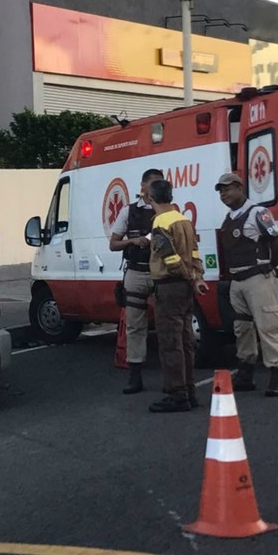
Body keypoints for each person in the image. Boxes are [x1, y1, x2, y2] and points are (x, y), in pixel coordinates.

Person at [215, 172, 278, 396]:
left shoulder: (258, 213)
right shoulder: (228, 218)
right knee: (242, 328)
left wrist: (270, 267)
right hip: (237, 281)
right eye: (221, 190)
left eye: (227, 189)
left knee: (267, 325)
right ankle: (246, 372)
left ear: (239, 187)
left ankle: (276, 372)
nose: (223, 194)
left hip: (257, 278)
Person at [147, 179, 207, 413]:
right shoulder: (183, 219)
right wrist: (196, 276)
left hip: (169, 286)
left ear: (151, 198)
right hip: (184, 288)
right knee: (185, 340)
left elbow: (169, 258)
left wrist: (188, 276)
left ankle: (177, 395)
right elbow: (194, 252)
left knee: (170, 342)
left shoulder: (160, 222)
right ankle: (189, 391)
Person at [109, 168, 164, 394]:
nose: (155, 189)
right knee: (134, 325)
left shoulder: (166, 211)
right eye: (152, 184)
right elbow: (113, 244)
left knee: (167, 324)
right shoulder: (128, 212)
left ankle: (172, 377)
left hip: (161, 272)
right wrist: (133, 242)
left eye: (159, 184)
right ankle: (135, 375)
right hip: (136, 271)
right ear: (143, 187)